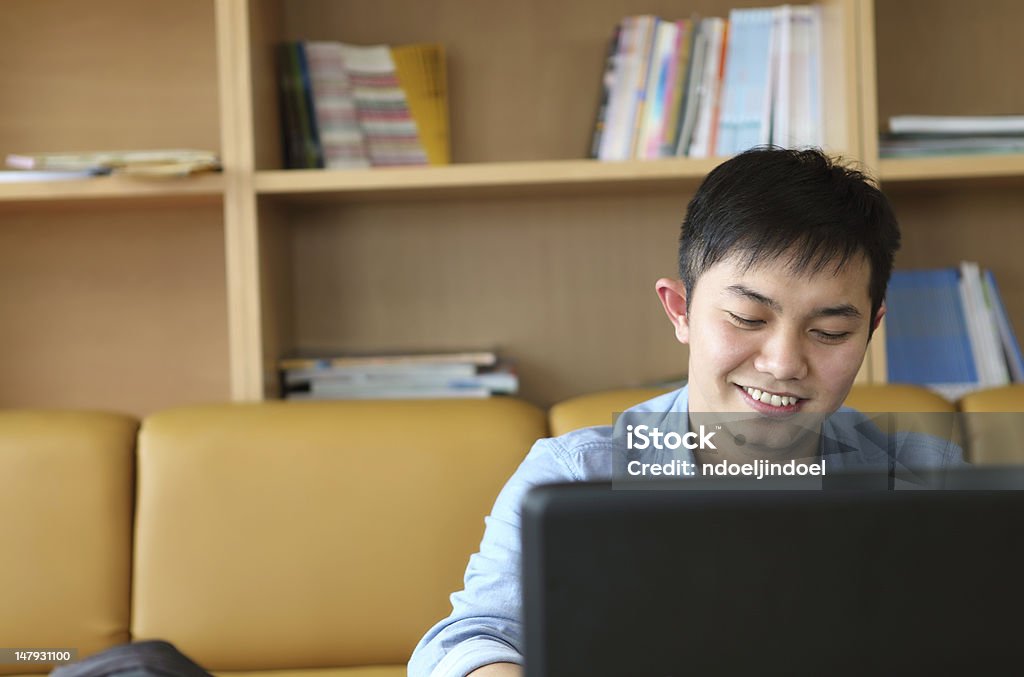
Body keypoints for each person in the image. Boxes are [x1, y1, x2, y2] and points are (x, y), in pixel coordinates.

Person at [407, 147, 963, 677]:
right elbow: (468, 639)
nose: (783, 363)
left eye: (830, 332)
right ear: (681, 311)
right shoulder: (575, 476)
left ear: (870, 331)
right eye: (748, 318)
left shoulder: (926, 479)